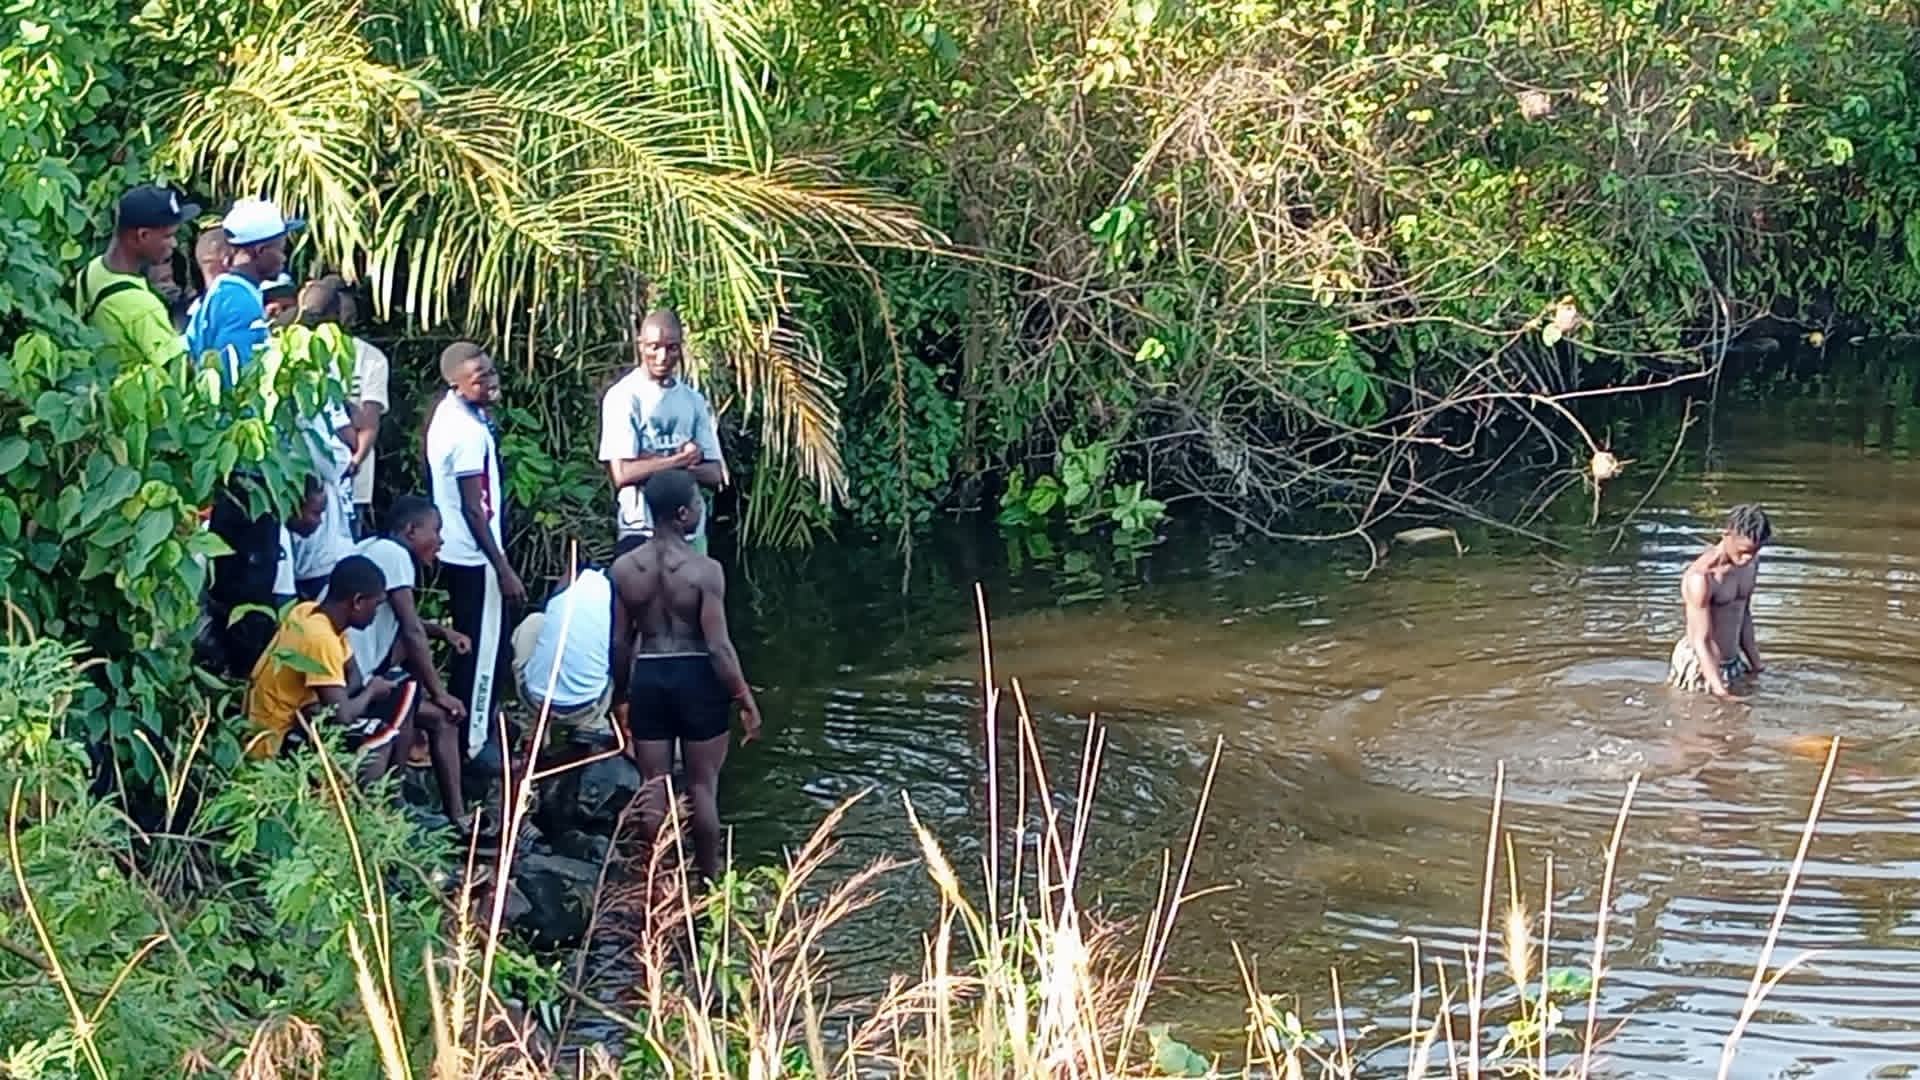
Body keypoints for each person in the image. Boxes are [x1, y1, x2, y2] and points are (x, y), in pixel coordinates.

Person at [610, 469, 762, 882]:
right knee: (702, 786)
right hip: (697, 676)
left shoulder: (624, 569)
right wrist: (744, 698)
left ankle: (655, 880)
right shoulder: (705, 570)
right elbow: (718, 647)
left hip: (650, 676)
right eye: (697, 503)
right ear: (681, 514)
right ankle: (709, 881)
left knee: (653, 783)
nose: (701, 508)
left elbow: (621, 643)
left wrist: (620, 696)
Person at [334, 496, 473, 831]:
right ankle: (401, 803)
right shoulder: (395, 555)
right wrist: (439, 692)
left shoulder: (371, 547)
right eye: (435, 531)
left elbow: (395, 617)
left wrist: (441, 631)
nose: (440, 541)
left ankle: (454, 816)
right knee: (426, 704)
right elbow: (410, 630)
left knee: (439, 718)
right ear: (411, 531)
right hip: (359, 681)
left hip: (353, 673)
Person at [426, 341, 525, 767]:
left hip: (460, 554)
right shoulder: (465, 433)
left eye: (489, 370)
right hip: (474, 556)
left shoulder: (453, 415)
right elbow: (473, 507)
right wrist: (502, 568)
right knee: (484, 653)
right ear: (456, 383)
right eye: (479, 377)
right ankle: (473, 745)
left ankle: (473, 727)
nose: (490, 380)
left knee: (479, 647)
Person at [244, 555, 418, 788]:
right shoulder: (321, 638)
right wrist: (371, 693)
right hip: (276, 737)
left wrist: (344, 696)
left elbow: (353, 674)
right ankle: (372, 805)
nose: (376, 614)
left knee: (404, 694)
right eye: (375, 605)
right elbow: (342, 716)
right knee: (378, 736)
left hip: (302, 715)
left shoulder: (310, 612)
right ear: (357, 601)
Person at [598, 310, 725, 557]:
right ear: (641, 345)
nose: (662, 356)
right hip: (640, 530)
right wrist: (681, 460)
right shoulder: (623, 397)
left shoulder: (693, 400)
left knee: (695, 592)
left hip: (689, 531)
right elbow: (623, 473)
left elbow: (715, 473)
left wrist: (651, 463)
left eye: (672, 348)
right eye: (654, 347)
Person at [201, 475, 327, 679]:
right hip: (238, 641)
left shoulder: (219, 527)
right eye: (315, 513)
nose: (319, 522)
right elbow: (283, 602)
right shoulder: (276, 534)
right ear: (294, 505)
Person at [298, 276, 390, 532]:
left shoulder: (370, 358)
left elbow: (369, 420)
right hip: (305, 483)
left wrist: (355, 462)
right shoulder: (301, 350)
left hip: (352, 482)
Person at [74, 184, 197, 369]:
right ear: (143, 235)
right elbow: (179, 372)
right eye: (168, 236)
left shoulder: (92, 270)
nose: (174, 243)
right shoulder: (142, 307)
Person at [184, 197, 302, 384]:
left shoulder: (224, 289)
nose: (284, 258)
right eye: (281, 249)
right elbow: (237, 380)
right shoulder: (240, 301)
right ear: (260, 251)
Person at [1670, 504, 1772, 698]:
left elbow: (1744, 615)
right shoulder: (1701, 578)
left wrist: (1756, 665)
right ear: (1727, 535)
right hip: (1700, 664)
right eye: (1744, 551)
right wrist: (1719, 689)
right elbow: (1701, 640)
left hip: (1732, 661)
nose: (1747, 558)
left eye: (1755, 551)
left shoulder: (1750, 565)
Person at [512, 556, 615, 741]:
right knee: (618, 646)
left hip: (534, 699)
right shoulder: (621, 589)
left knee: (534, 622)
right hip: (587, 704)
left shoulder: (568, 583)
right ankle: (592, 724)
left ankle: (532, 727)